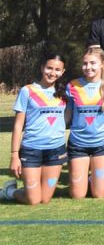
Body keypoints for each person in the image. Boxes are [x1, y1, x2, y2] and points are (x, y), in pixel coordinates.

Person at [2, 54, 68, 205]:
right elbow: (18, 125)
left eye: (57, 69)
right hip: (31, 150)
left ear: (63, 72)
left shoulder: (65, 92)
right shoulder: (27, 91)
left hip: (55, 151)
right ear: (42, 68)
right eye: (49, 68)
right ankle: (10, 191)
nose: (52, 72)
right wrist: (14, 155)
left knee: (44, 199)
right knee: (33, 200)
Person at [66, 46, 104, 199]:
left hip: (102, 145)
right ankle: (90, 179)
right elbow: (66, 117)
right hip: (78, 145)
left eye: (93, 63)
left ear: (102, 63)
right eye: (85, 64)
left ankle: (97, 178)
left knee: (99, 195)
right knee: (77, 195)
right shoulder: (72, 86)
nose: (88, 67)